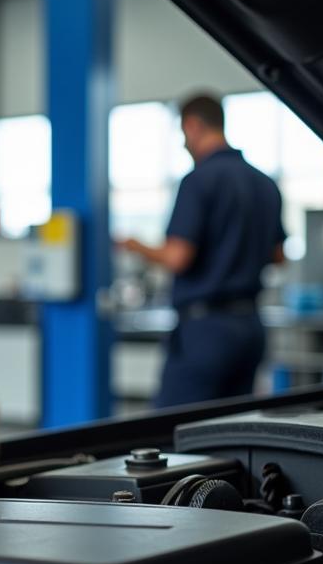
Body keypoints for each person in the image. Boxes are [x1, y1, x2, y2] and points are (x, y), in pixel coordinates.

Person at [117, 92, 285, 407]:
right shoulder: (265, 184)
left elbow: (178, 257)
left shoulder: (199, 181)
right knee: (232, 432)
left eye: (183, 133)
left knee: (172, 431)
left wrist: (135, 245)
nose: (184, 143)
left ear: (193, 125)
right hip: (251, 328)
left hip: (206, 330)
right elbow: (278, 257)